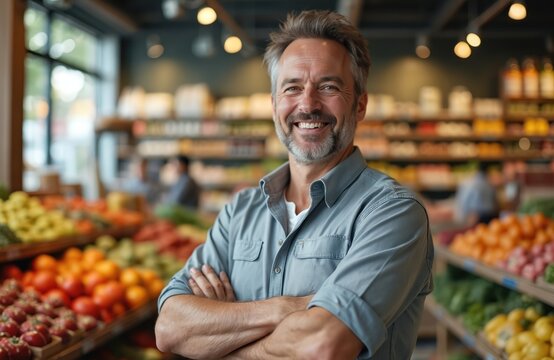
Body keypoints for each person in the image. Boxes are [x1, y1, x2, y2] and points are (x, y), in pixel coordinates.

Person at [155, 10, 433, 359]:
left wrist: (224, 340)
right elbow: (169, 328)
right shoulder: (240, 212)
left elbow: (322, 346)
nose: (308, 104)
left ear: (360, 104)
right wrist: (286, 309)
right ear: (274, 106)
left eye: (329, 86)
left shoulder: (392, 213)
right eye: (292, 88)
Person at [455, 161, 499, 226]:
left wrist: (462, 218)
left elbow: (462, 203)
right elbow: (495, 204)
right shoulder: (490, 184)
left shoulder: (468, 183)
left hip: (474, 216)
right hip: (489, 217)